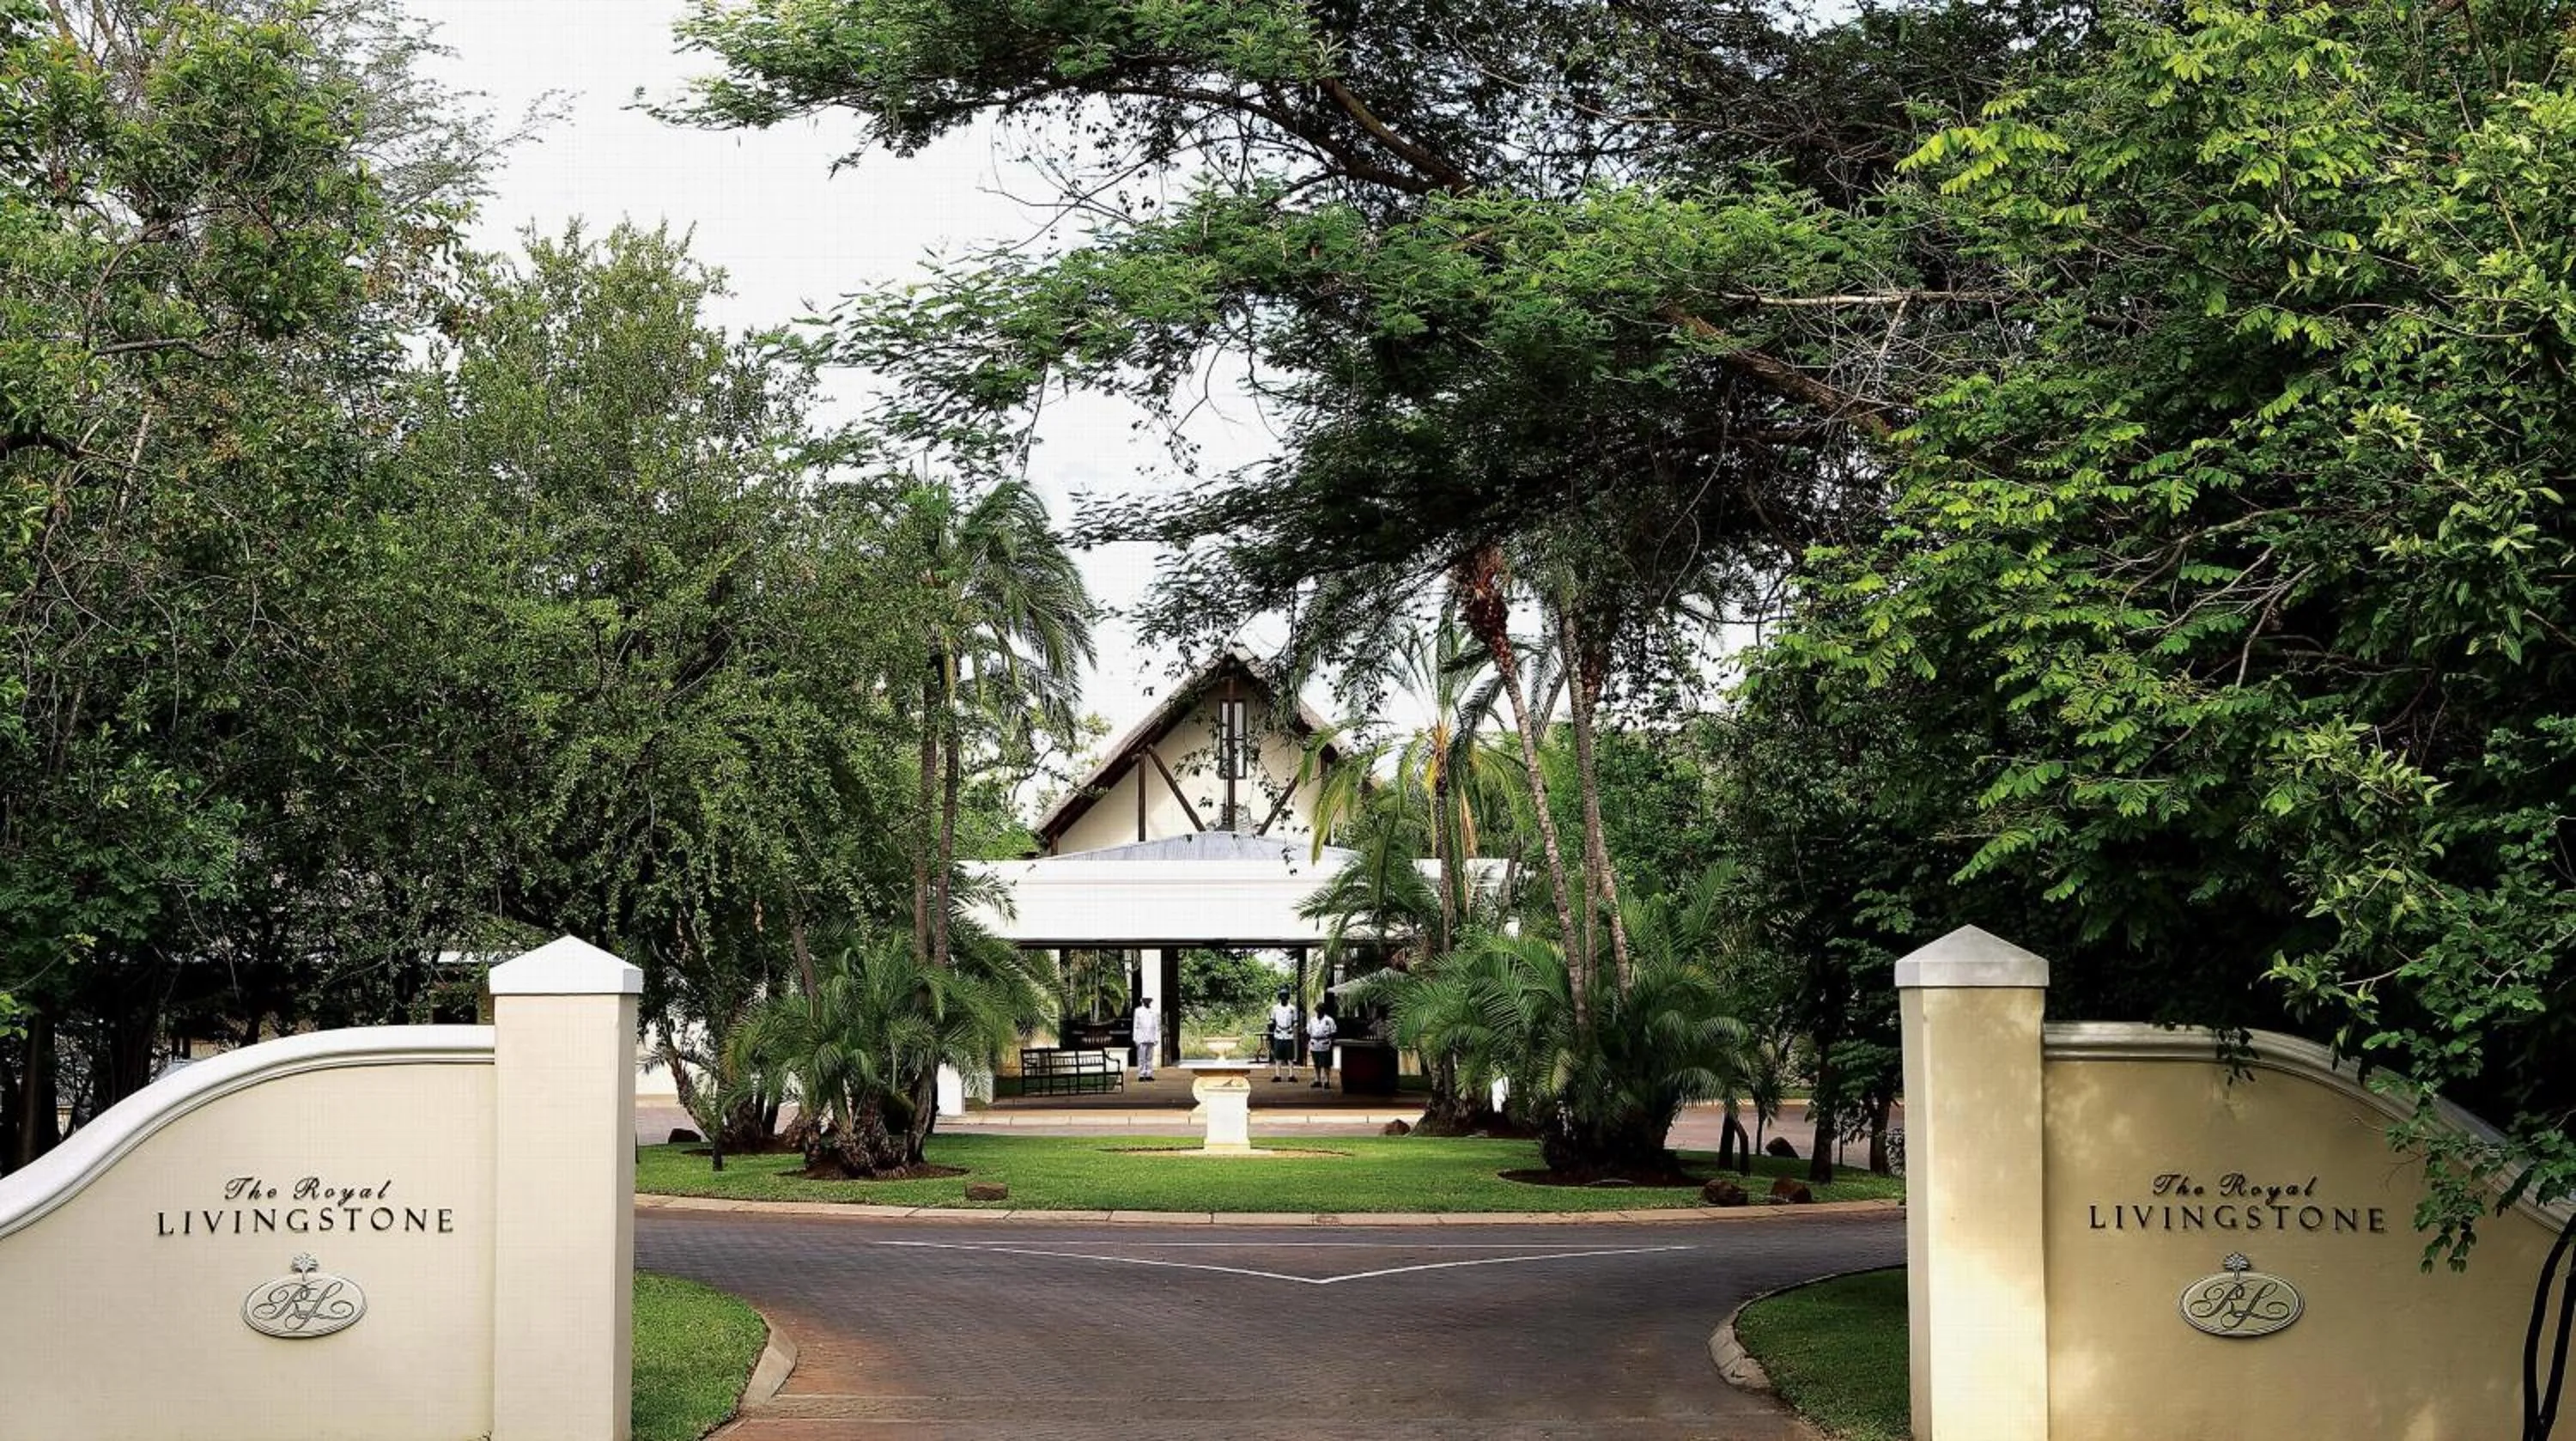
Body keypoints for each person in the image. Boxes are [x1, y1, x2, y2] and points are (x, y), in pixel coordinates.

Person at [1267, 988, 1299, 1082]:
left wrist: (1293, 1029)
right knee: (1278, 1056)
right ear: (1279, 997)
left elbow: (1295, 1021)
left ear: (1288, 997)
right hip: (1279, 1033)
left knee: (1290, 1057)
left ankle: (1291, 1075)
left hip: (1289, 1033)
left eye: (1285, 996)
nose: (1284, 998)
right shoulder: (1275, 1008)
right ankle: (1278, 1075)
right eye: (1282, 996)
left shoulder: (1292, 1008)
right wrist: (1270, 1032)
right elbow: (1272, 1020)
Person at [1306, 1005, 1337, 1089]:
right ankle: (1317, 1080)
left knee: (1326, 1063)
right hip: (1314, 1042)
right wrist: (1308, 1043)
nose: (1319, 1012)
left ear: (1324, 1011)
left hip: (1325, 1042)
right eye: (1318, 1010)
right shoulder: (1312, 1020)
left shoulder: (1329, 1020)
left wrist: (1332, 1042)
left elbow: (1333, 1031)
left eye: (1320, 1010)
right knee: (1316, 1063)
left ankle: (1327, 1081)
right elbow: (1308, 1032)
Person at [1131, 995, 1159, 1081]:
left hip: (1151, 1037)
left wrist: (1156, 1037)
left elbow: (1156, 1026)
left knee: (1149, 1058)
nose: (1147, 1002)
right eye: (1145, 1001)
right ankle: (1141, 1074)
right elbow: (1135, 1025)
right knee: (1141, 1058)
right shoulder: (1138, 1011)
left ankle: (1149, 1074)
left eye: (1149, 1001)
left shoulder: (1153, 1011)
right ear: (1142, 1001)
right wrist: (1135, 1038)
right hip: (1141, 1037)